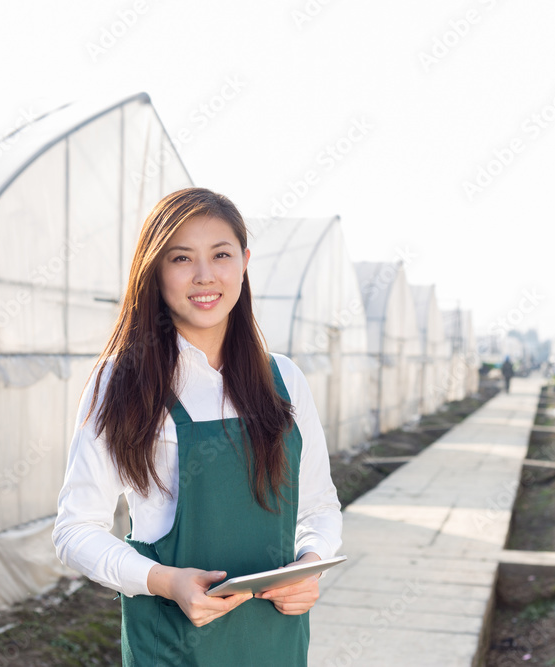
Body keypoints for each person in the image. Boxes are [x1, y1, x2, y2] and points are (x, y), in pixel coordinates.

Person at [52, 187, 343, 666]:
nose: (205, 275)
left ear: (244, 262)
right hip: (171, 643)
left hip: (275, 641)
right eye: (182, 257)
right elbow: (75, 530)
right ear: (156, 271)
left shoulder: (284, 380)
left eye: (221, 254)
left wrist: (309, 567)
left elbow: (318, 506)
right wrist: (166, 581)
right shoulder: (123, 383)